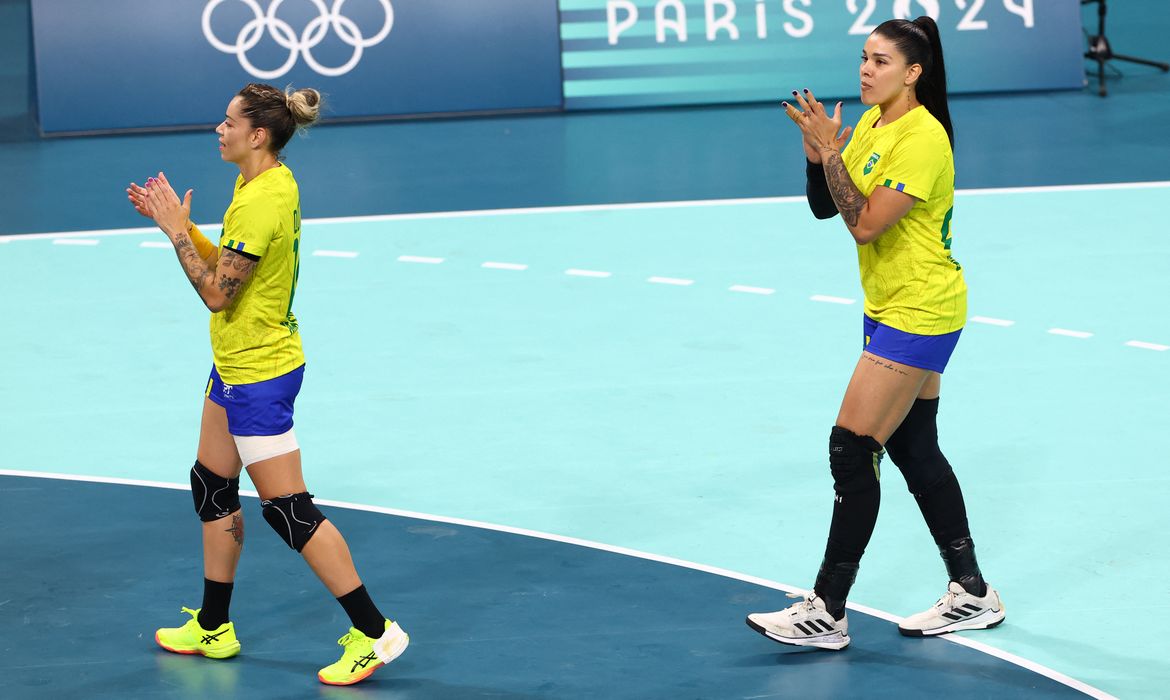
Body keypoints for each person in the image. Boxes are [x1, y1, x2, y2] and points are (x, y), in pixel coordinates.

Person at [126, 83, 409, 685]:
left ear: (258, 135)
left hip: (259, 372)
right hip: (235, 363)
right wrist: (175, 227)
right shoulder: (263, 179)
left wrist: (177, 229)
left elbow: (214, 292)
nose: (218, 129)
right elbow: (230, 266)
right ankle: (213, 626)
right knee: (211, 485)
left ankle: (375, 632)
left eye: (228, 122)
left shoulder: (260, 202)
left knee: (289, 510)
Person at [745, 17, 1004, 650]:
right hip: (890, 305)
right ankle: (971, 592)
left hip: (920, 310)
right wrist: (818, 158)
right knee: (915, 448)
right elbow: (828, 205)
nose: (866, 70)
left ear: (914, 72)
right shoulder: (871, 125)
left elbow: (866, 227)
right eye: (864, 57)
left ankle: (827, 609)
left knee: (851, 447)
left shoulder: (922, 139)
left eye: (882, 61)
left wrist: (833, 155)